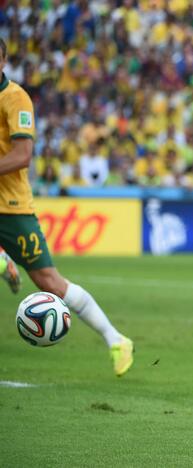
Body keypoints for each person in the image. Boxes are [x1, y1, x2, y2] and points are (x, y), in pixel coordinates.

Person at [0, 39, 134, 377]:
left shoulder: (14, 98)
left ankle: (116, 339)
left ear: (2, 62)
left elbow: (23, 155)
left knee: (50, 282)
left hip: (11, 207)